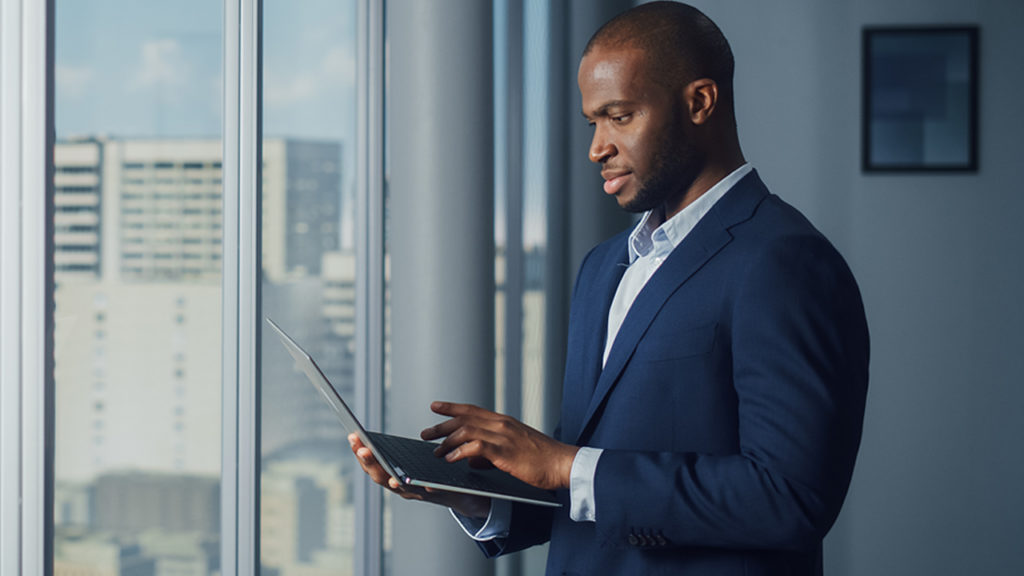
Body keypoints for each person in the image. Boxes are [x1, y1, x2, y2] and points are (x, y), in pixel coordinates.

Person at [349, 2, 869, 574]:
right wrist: (473, 494)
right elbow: (592, 490)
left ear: (700, 102)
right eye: (593, 121)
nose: (597, 146)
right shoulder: (603, 268)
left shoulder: (784, 261)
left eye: (619, 116)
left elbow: (789, 498)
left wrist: (565, 465)